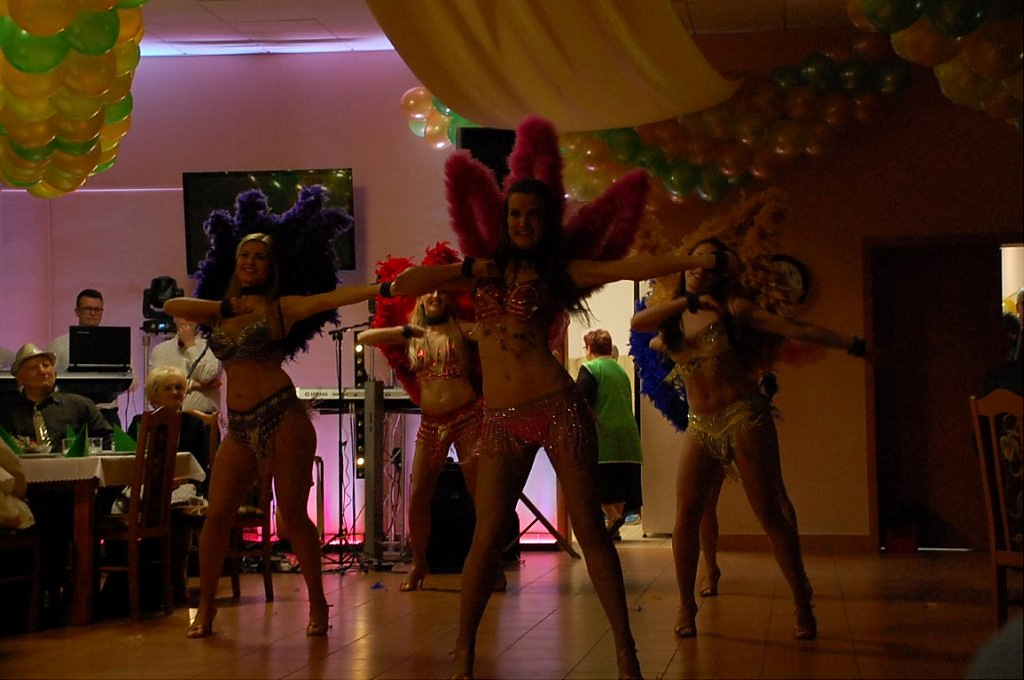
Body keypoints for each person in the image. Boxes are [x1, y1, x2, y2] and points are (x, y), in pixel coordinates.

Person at [392, 116, 721, 680]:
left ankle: (626, 653)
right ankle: (463, 654)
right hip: (500, 419)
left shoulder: (559, 272)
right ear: (504, 220)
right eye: (515, 214)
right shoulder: (481, 274)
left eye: (533, 215)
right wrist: (468, 266)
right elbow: (406, 285)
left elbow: (629, 267)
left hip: (556, 407)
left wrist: (690, 262)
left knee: (589, 528)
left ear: (546, 222)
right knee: (486, 537)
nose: (523, 223)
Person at [630, 227, 868, 642]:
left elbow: (796, 329)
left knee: (770, 512)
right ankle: (686, 606)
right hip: (700, 424)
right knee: (686, 516)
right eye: (694, 263)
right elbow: (638, 324)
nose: (699, 271)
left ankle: (801, 598)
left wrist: (855, 345)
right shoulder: (672, 316)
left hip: (744, 416)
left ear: (721, 274)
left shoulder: (733, 308)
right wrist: (686, 302)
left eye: (709, 266)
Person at [166, 228, 384, 639]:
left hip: (282, 417)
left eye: (260, 256)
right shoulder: (220, 312)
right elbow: (171, 304)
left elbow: (331, 299)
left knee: (293, 517)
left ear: (272, 267)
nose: (250, 262)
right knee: (216, 515)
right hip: (240, 426)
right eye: (244, 255)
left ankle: (317, 603)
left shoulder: (282, 307)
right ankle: (207, 608)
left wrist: (382, 288)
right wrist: (224, 305)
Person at [357, 287, 486, 591]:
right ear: (419, 299)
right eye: (429, 292)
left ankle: (489, 563)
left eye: (442, 292)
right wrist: (402, 331)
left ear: (450, 299)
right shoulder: (412, 334)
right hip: (431, 423)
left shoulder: (461, 330)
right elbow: (364, 338)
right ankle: (419, 563)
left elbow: (494, 335)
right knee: (418, 497)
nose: (436, 296)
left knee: (481, 496)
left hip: (467, 419)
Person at [576, 329, 643, 540]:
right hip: (628, 435)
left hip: (603, 435)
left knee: (593, 481)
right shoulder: (621, 370)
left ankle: (613, 517)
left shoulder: (590, 368)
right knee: (621, 482)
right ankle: (615, 524)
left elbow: (581, 402)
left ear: (590, 348)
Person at [0, 343, 113, 451]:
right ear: (19, 379)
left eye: (46, 365)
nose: (42, 371)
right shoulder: (5, 410)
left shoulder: (80, 405)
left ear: (55, 374)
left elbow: (108, 440)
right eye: (34, 367)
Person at [46, 288, 131, 427]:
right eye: (87, 309)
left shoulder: (115, 344)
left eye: (97, 309)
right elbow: (47, 379)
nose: (92, 313)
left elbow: (132, 380)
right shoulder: (59, 344)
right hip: (71, 414)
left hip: (106, 414)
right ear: (77, 311)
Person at [148, 317, 223, 414]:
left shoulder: (212, 346)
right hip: (169, 417)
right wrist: (196, 385)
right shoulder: (160, 350)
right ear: (174, 318)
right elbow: (157, 385)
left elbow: (206, 376)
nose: (188, 318)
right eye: (182, 315)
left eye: (191, 314)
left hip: (205, 418)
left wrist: (190, 345)